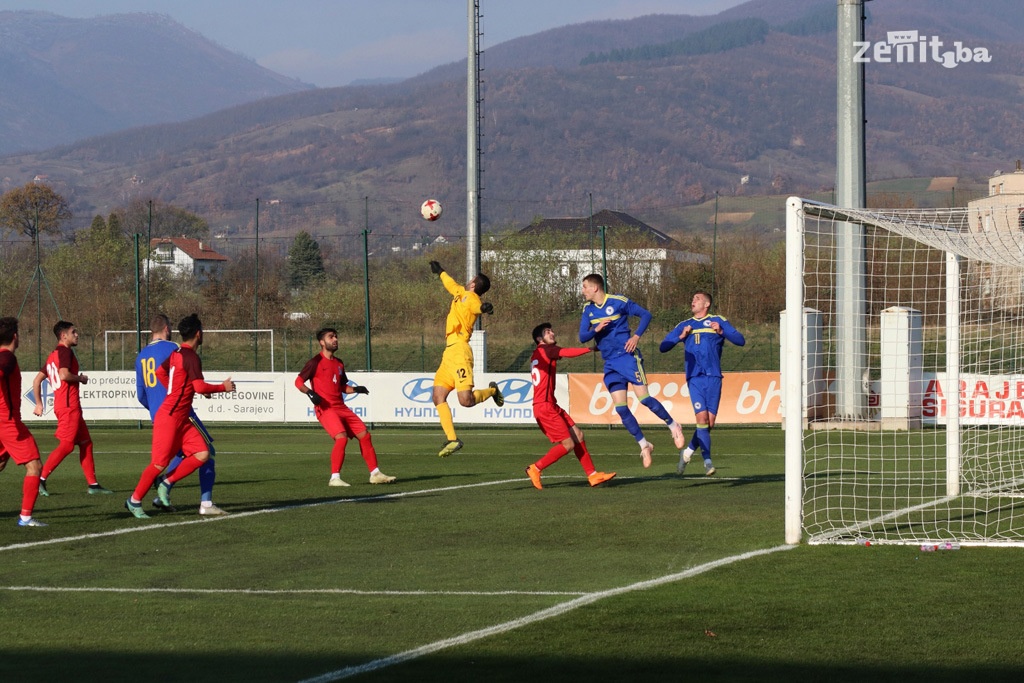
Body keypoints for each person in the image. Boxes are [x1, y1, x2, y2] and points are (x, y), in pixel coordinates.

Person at [125, 313, 234, 519]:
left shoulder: (176, 354)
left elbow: (160, 373)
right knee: (158, 463)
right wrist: (223, 387)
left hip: (180, 417)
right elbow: (200, 387)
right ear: (199, 334)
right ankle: (134, 500)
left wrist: (176, 390)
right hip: (171, 417)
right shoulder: (189, 356)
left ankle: (166, 483)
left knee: (202, 453)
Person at [579, 273, 685, 467]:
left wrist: (636, 337)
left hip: (627, 357)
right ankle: (644, 445)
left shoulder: (618, 301)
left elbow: (646, 314)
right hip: (610, 362)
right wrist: (596, 329)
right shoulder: (588, 309)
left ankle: (673, 425)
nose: (582, 290)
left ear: (595, 287)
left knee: (644, 399)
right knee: (621, 409)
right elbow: (582, 336)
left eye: (585, 286)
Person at [659, 290, 746, 476]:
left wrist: (722, 332)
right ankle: (707, 461)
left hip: (714, 377)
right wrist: (680, 337)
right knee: (701, 419)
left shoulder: (718, 320)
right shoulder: (685, 325)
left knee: (709, 423)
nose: (693, 300)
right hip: (695, 377)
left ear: (706, 304)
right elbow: (663, 347)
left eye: (697, 298)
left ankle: (687, 453)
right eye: (693, 298)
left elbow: (741, 340)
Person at [295, 327, 396, 486]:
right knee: (341, 438)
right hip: (326, 408)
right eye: (331, 337)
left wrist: (356, 389)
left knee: (365, 435)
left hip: (341, 407)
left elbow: (342, 387)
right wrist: (310, 393)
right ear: (322, 342)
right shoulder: (315, 362)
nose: (335, 340)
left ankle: (375, 473)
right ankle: (334, 478)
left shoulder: (339, 363)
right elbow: (298, 382)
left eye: (336, 337)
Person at [524, 322, 615, 490]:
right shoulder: (545, 350)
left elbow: (560, 353)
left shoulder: (540, 353)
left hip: (551, 404)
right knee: (568, 444)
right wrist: (592, 349)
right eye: (547, 332)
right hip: (544, 406)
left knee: (578, 435)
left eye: (552, 330)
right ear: (539, 339)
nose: (552, 333)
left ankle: (593, 475)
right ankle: (535, 468)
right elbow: (566, 352)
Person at [428, 260, 503, 457]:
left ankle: (493, 390)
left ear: (473, 284)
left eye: (471, 279)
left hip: (461, 351)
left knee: (466, 401)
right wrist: (441, 271)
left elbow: (478, 307)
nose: (468, 280)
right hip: (449, 353)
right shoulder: (460, 292)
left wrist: (485, 308)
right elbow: (450, 284)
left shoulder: (471, 298)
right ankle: (452, 440)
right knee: (437, 397)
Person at [32, 320, 112, 496]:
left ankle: (93, 484)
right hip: (69, 406)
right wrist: (81, 379)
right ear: (63, 335)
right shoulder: (65, 352)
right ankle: (41, 478)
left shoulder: (53, 355)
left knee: (86, 443)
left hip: (66, 405)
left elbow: (37, 380)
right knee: (67, 446)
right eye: (73, 332)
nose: (77, 334)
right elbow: (64, 375)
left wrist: (39, 403)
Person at [0, 317, 47, 526]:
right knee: (35, 466)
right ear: (15, 337)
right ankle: (26, 517)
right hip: (8, 423)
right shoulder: (7, 358)